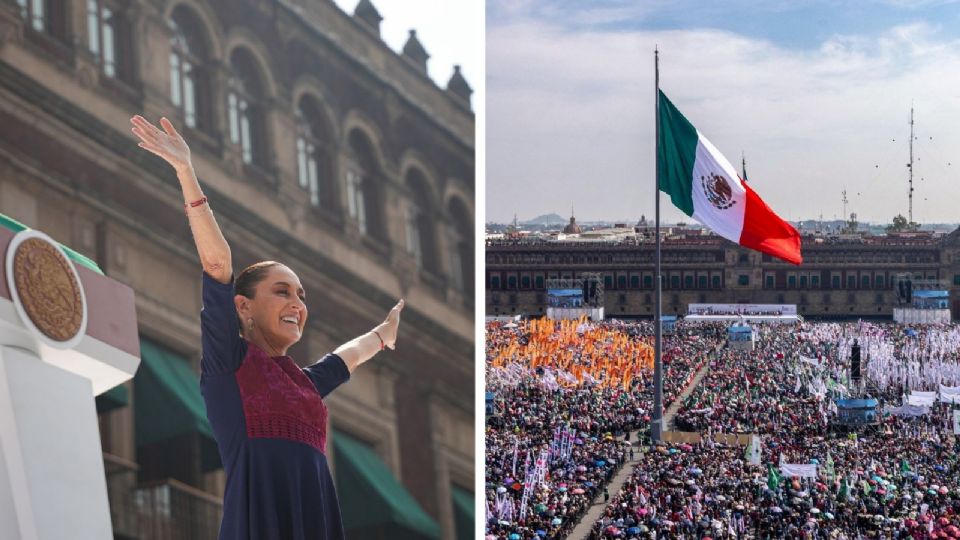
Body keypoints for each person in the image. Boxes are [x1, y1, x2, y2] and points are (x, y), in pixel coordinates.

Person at [131, 115, 404, 540]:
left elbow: (345, 358)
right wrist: (186, 171)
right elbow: (218, 264)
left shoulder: (306, 384)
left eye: (301, 296)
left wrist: (382, 335)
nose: (297, 304)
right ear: (243, 307)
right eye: (282, 292)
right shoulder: (229, 363)